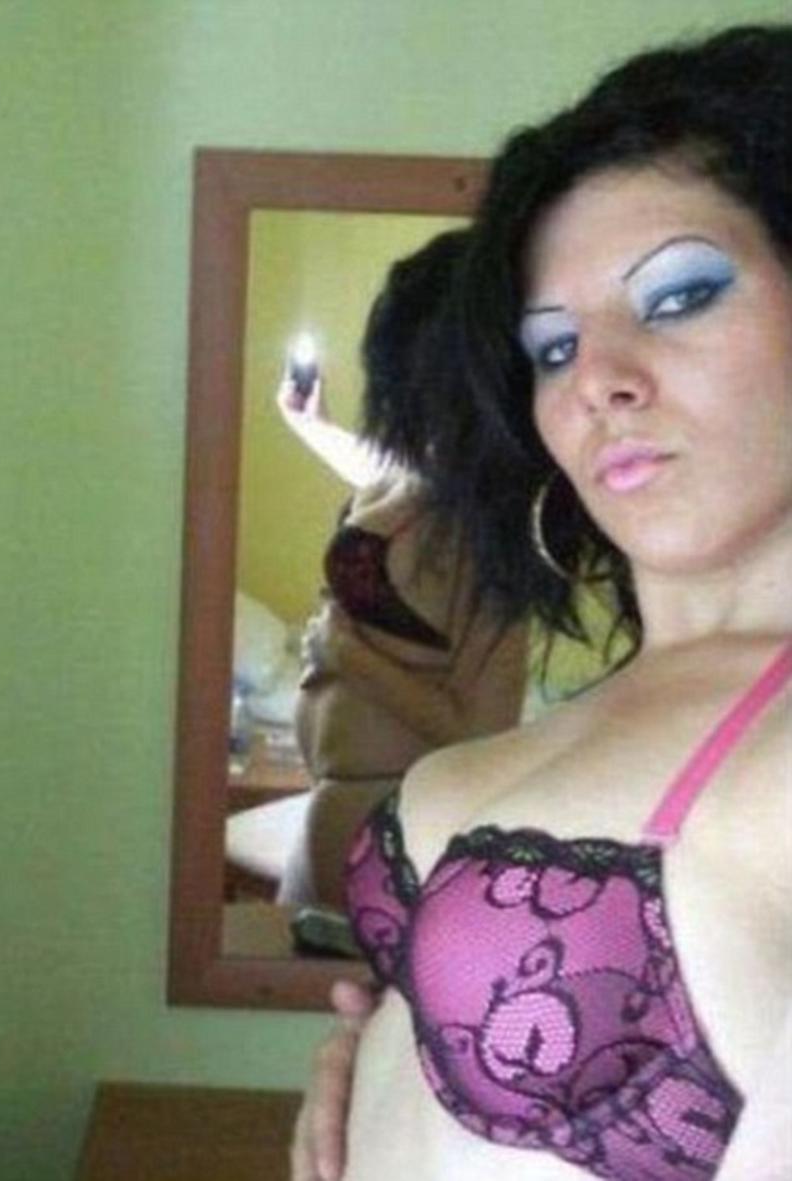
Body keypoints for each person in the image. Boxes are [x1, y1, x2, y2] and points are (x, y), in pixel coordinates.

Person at [292, 23, 792, 1180]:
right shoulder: (610, 698)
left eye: (678, 295)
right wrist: (382, 1063)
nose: (598, 378)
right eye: (552, 349)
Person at [274, 230, 528, 908]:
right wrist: (314, 428)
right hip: (340, 809)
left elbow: (484, 734)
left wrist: (349, 657)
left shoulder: (489, 525)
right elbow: (399, 485)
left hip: (389, 823)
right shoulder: (420, 482)